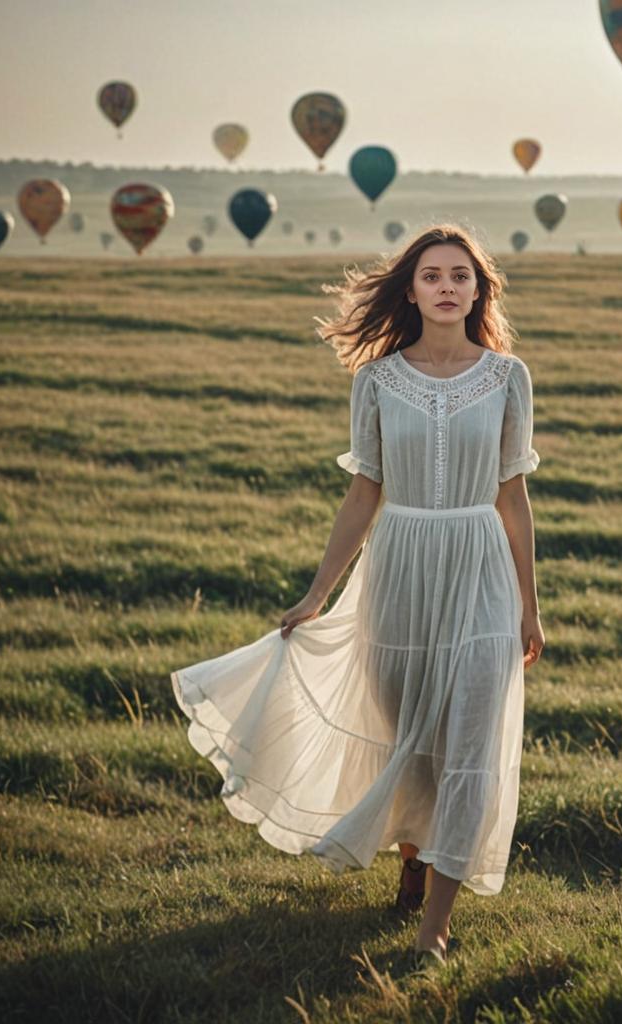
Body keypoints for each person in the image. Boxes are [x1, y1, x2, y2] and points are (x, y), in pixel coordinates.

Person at [171, 223, 543, 968]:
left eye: (460, 276)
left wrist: (530, 605)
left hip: (478, 566)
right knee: (409, 734)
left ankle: (434, 925)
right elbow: (363, 492)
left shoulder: (508, 377)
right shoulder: (376, 379)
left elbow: (514, 497)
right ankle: (414, 852)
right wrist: (316, 595)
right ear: (410, 290)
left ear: (479, 291)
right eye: (432, 275)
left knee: (469, 742)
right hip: (398, 564)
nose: (446, 286)